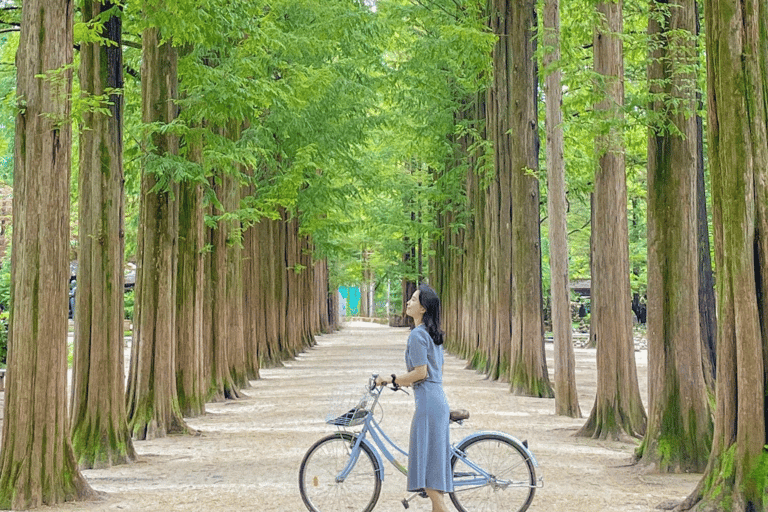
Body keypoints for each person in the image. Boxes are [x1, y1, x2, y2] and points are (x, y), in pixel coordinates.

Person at [376, 283, 452, 512]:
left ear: (423, 309)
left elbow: (420, 373)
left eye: (414, 299)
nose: (408, 302)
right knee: (432, 468)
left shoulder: (418, 335)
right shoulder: (430, 334)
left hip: (428, 404)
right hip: (436, 399)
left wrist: (390, 379)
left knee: (427, 470)